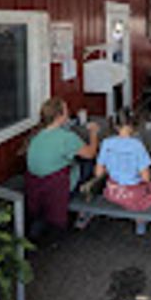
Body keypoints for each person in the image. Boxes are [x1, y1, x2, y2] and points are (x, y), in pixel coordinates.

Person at [26, 97, 100, 230]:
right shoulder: (67, 138)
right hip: (56, 186)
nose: (69, 112)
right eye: (66, 110)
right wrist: (93, 133)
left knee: (74, 158)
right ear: (59, 116)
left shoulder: (36, 136)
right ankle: (85, 206)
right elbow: (91, 153)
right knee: (89, 162)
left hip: (35, 185)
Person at [95, 108, 151, 235]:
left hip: (112, 191)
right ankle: (140, 221)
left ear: (115, 125)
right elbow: (146, 177)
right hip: (132, 194)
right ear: (133, 125)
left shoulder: (106, 143)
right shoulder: (137, 145)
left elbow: (98, 173)